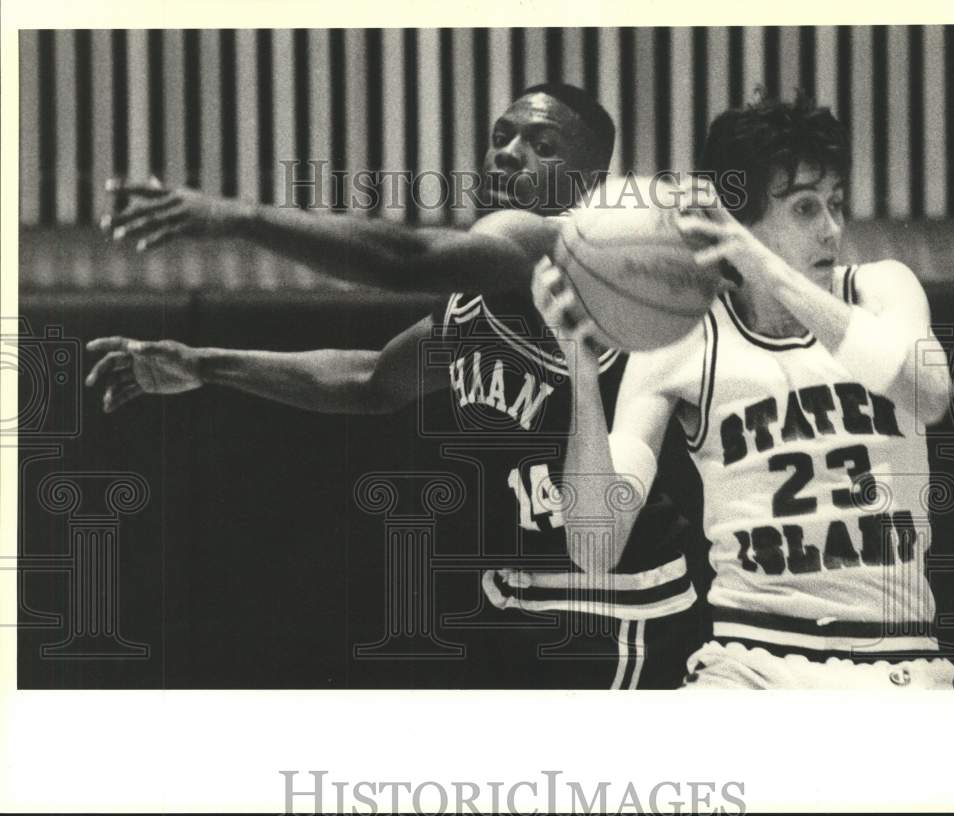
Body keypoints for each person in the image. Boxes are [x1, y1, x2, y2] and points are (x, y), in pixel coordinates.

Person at [87, 83, 705, 689]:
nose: (509, 152)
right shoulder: (477, 303)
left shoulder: (547, 245)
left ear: (589, 184)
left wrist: (235, 216)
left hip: (617, 604)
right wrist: (203, 363)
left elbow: (404, 257)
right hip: (514, 598)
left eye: (543, 145)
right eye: (501, 137)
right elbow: (369, 380)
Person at [549, 93, 954, 689]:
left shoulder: (881, 290)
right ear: (741, 220)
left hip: (896, 660)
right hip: (750, 660)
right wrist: (582, 376)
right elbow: (594, 544)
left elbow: (931, 395)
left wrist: (764, 267)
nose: (832, 228)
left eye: (836, 204)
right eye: (804, 208)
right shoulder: (686, 338)